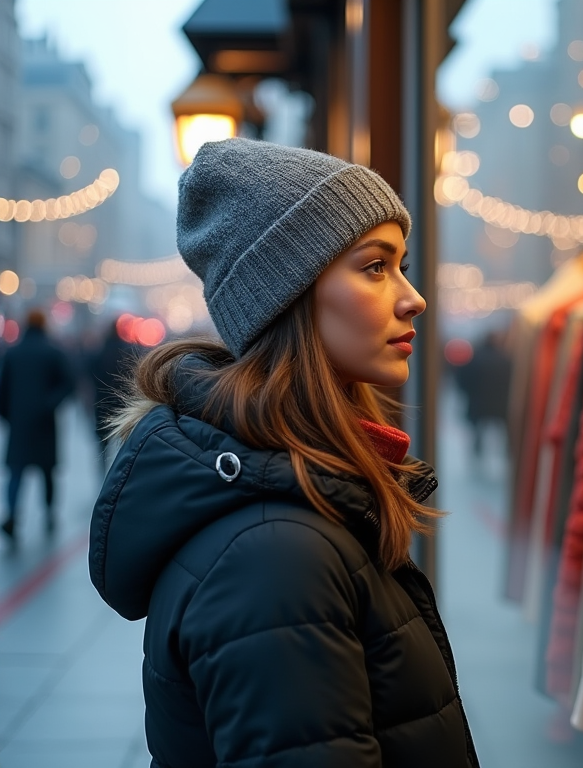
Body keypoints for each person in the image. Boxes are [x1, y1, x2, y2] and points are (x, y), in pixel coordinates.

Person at [88, 139, 479, 768]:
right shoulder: (274, 557)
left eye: (401, 264)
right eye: (375, 266)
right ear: (288, 294)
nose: (413, 297)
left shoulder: (298, 504)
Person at [0, 308, 75, 542]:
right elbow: (68, 384)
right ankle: (49, 514)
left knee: (16, 472)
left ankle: (12, 514)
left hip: (19, 423)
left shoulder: (13, 353)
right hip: (44, 423)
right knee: (47, 472)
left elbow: (2, 388)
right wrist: (49, 405)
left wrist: (9, 415)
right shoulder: (52, 352)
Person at [87, 319, 138, 467]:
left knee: (102, 444)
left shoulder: (99, 352)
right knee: (124, 444)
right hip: (123, 403)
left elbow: (91, 375)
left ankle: (103, 474)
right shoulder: (126, 351)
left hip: (101, 402)